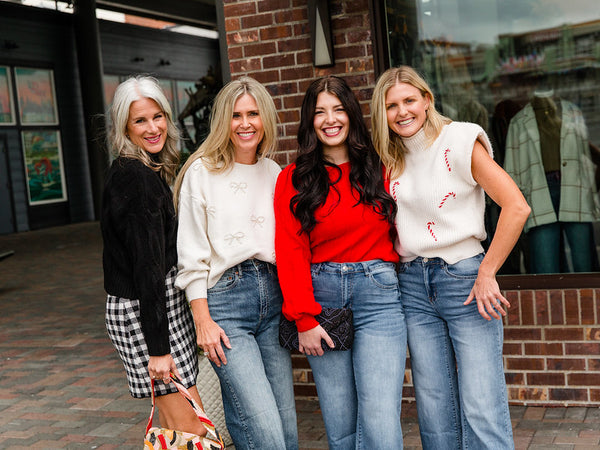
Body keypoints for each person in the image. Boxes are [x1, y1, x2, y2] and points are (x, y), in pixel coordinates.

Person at [371, 66, 531, 449]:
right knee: (434, 405)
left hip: (465, 280)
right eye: (391, 105)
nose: (401, 112)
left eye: (409, 100)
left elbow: (516, 207)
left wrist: (488, 271)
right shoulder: (389, 155)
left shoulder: (458, 140)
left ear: (427, 100)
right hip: (412, 284)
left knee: (480, 402)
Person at [274, 76, 406, 449]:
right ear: (309, 120)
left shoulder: (382, 168)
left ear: (351, 114)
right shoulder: (293, 179)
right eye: (319, 112)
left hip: (379, 297)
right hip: (322, 297)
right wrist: (303, 317)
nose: (330, 119)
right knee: (341, 422)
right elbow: (290, 250)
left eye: (338, 109)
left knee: (380, 420)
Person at [172, 76, 298, 450]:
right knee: (264, 431)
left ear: (265, 119)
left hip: (273, 301)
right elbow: (190, 253)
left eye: (253, 114)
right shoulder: (202, 172)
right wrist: (202, 320)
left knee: (286, 430)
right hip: (226, 307)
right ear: (223, 121)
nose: (245, 123)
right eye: (236, 115)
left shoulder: (274, 173)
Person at [101, 75, 206, 436]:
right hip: (147, 312)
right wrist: (158, 349)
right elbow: (147, 267)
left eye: (157, 116)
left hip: (154, 307)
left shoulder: (144, 171)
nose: (152, 128)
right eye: (140, 121)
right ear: (124, 128)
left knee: (176, 431)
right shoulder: (136, 179)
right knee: (192, 428)